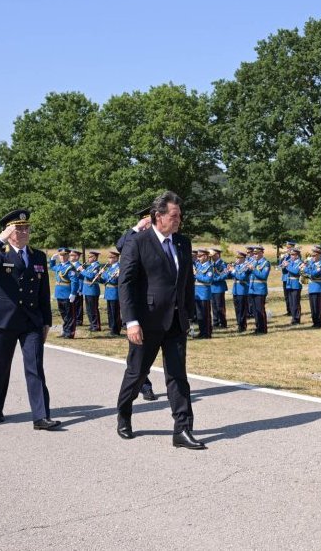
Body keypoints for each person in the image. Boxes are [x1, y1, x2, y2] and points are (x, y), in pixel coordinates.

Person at [115, 191, 204, 450]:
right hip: (146, 322)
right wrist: (131, 321)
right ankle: (124, 413)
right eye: (174, 216)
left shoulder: (182, 243)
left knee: (177, 376)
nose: (178, 221)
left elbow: (187, 282)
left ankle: (182, 429)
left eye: (180, 216)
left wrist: (189, 314)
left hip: (176, 321)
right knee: (136, 373)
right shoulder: (138, 242)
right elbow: (126, 284)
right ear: (158, 216)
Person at [0, 210, 61, 430]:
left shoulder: (37, 255)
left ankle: (41, 416)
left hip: (31, 321)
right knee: (1, 366)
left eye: (26, 228)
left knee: (35, 367)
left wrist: (46, 322)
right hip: (4, 322)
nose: (23, 232)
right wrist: (0, 239)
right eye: (18, 228)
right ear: (8, 231)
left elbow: (43, 291)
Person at [51, 248, 79, 338]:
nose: (62, 257)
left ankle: (70, 333)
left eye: (64, 255)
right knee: (63, 313)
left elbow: (74, 281)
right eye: (60, 255)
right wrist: (52, 260)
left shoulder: (70, 267)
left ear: (68, 256)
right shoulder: (59, 266)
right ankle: (65, 330)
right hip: (59, 293)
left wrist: (73, 293)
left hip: (67, 293)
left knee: (69, 314)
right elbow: (52, 267)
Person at [78, 251, 104, 331]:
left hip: (92, 289)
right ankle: (92, 324)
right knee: (89, 309)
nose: (88, 258)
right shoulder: (89, 267)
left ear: (95, 257)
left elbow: (91, 276)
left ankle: (96, 326)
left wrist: (82, 270)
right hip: (87, 289)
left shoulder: (96, 266)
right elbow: (84, 277)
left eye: (90, 257)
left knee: (94, 309)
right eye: (88, 256)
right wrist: (78, 273)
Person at [247, 246, 270, 334]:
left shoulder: (265, 263)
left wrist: (253, 269)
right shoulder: (253, 262)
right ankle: (258, 327)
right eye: (254, 254)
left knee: (260, 310)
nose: (255, 255)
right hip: (252, 289)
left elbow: (263, 276)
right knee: (255, 311)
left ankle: (263, 329)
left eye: (256, 253)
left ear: (261, 253)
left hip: (260, 289)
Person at [99, 251, 122, 336]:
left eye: (111, 257)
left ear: (116, 258)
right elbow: (105, 280)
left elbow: (113, 280)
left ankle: (116, 330)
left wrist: (103, 273)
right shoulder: (109, 268)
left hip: (114, 292)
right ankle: (111, 328)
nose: (109, 259)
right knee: (110, 312)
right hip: (108, 292)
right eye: (109, 257)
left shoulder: (119, 268)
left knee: (115, 312)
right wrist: (99, 277)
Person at [192, 249, 213, 339]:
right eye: (198, 256)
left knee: (205, 315)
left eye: (200, 256)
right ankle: (202, 331)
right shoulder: (199, 265)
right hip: (197, 293)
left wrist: (196, 275)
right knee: (199, 315)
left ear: (205, 256)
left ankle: (207, 333)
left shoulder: (209, 266)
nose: (198, 258)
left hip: (204, 293)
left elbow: (208, 280)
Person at [304, 247, 321, 328]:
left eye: (315, 255)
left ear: (319, 255)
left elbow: (314, 274)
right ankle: (314, 322)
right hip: (311, 287)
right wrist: (307, 269)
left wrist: (308, 271)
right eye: (312, 255)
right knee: (313, 307)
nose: (313, 257)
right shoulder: (311, 263)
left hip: (318, 288)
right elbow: (305, 271)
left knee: (318, 307)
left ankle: (319, 323)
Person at [229, 251, 250, 332]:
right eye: (236, 258)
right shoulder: (236, 266)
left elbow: (242, 277)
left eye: (238, 258)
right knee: (237, 308)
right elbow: (230, 276)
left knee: (242, 309)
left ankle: (242, 326)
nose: (236, 259)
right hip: (236, 290)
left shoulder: (245, 267)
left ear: (243, 258)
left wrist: (233, 271)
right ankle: (239, 324)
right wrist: (229, 270)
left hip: (242, 290)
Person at [208, 248, 228, 328]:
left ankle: (223, 323)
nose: (212, 257)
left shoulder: (222, 264)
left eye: (213, 256)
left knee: (220, 306)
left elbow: (225, 275)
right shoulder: (212, 264)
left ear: (217, 254)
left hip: (219, 287)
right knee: (214, 306)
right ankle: (215, 322)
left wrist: (215, 279)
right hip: (212, 287)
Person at [281, 248, 303, 325]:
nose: (291, 256)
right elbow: (285, 272)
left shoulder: (300, 263)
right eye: (291, 254)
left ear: (297, 255)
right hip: (289, 284)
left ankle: (297, 319)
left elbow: (296, 272)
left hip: (296, 284)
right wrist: (284, 266)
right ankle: (293, 317)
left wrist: (287, 266)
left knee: (295, 302)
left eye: (293, 255)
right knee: (291, 302)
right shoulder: (290, 262)